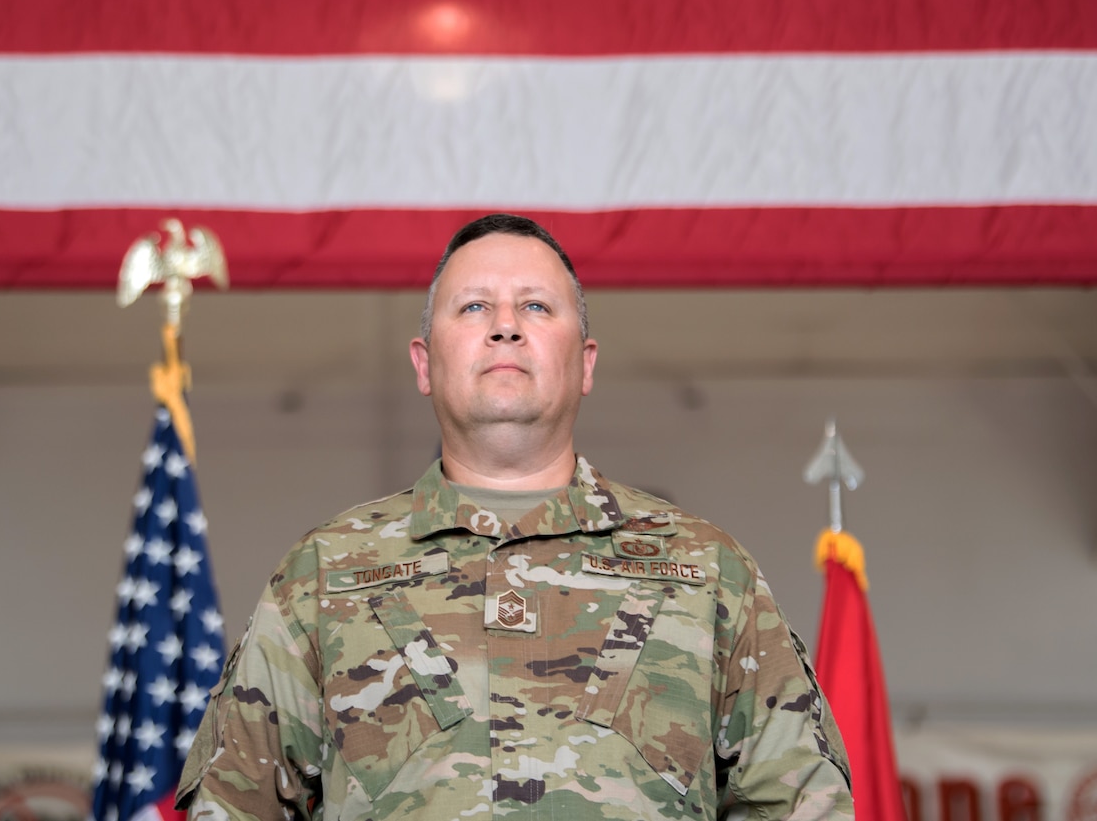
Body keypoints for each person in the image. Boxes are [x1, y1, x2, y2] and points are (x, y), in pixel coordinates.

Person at [177, 213, 854, 820]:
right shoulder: (323, 573)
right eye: (474, 307)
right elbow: (230, 805)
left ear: (586, 363)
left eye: (535, 305)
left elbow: (803, 802)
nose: (506, 324)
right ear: (424, 363)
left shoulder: (709, 572)